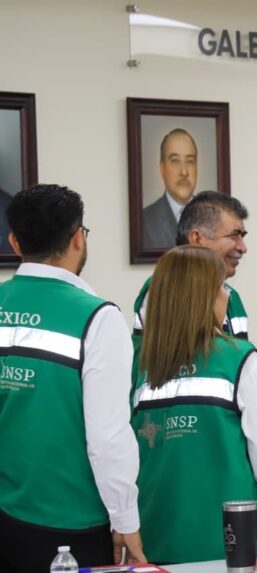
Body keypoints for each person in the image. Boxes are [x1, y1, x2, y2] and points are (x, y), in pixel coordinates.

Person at [0, 185, 145, 571]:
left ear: (15, 242)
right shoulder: (97, 318)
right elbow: (107, 438)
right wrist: (125, 519)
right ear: (78, 237)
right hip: (68, 523)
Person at [132, 245, 257, 563]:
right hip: (230, 541)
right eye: (220, 288)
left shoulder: (140, 366)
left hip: (153, 537)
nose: (227, 297)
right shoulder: (244, 361)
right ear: (202, 298)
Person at [133, 191, 257, 392]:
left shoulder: (231, 297)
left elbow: (242, 367)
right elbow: (210, 365)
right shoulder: (166, 290)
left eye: (243, 236)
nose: (243, 247)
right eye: (234, 236)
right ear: (197, 238)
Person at [143, 128, 198, 249]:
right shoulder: (145, 221)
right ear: (162, 168)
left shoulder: (213, 217)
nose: (184, 172)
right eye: (175, 161)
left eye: (190, 161)